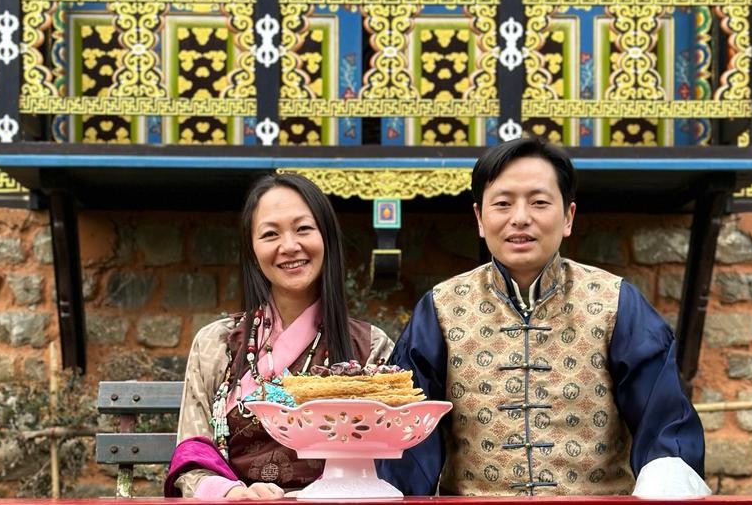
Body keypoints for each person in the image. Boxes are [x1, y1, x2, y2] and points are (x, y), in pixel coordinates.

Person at [378, 138, 710, 497]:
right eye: (503, 204)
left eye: (539, 202)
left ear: (568, 217)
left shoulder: (615, 302)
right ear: (479, 218)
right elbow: (407, 437)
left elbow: (663, 424)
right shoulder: (440, 309)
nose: (520, 218)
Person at [165, 173, 394, 499]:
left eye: (303, 229)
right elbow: (193, 451)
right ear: (252, 249)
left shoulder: (370, 347)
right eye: (270, 234)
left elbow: (389, 460)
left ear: (326, 236)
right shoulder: (215, 344)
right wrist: (230, 492)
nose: (289, 246)